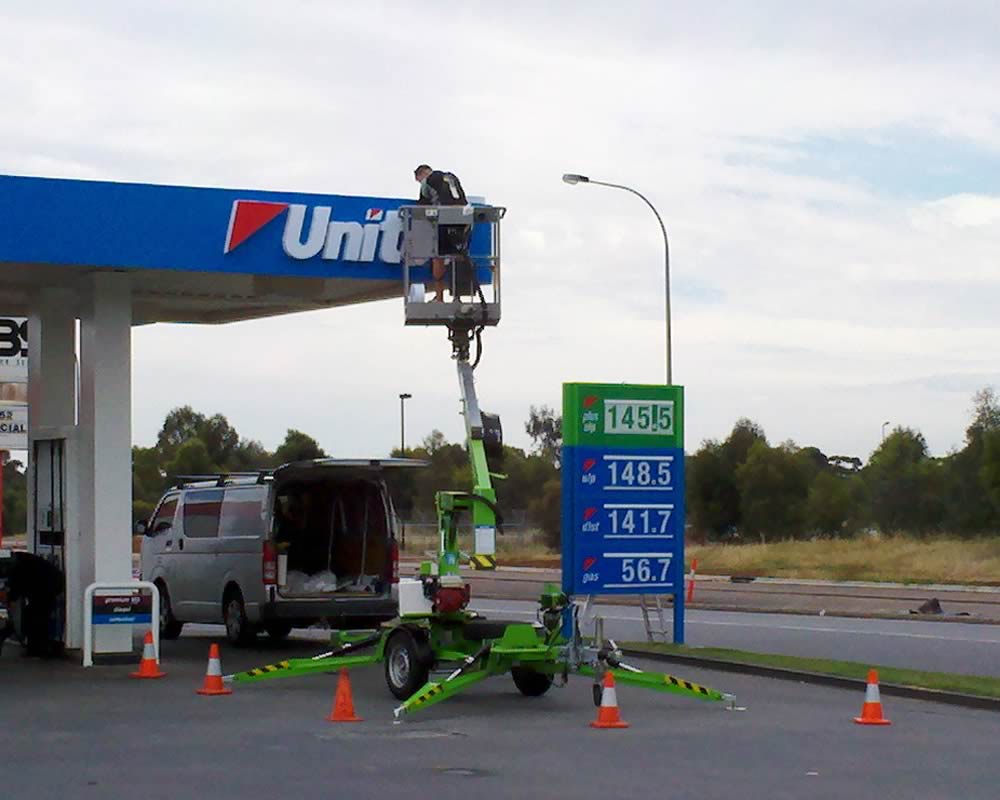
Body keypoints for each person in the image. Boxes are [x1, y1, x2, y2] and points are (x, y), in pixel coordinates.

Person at [414, 165, 471, 301]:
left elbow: (422, 207)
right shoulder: (450, 176)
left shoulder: (426, 182)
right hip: (465, 216)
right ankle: (458, 297)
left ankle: (439, 297)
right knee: (458, 256)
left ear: (420, 175)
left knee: (438, 256)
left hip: (445, 216)